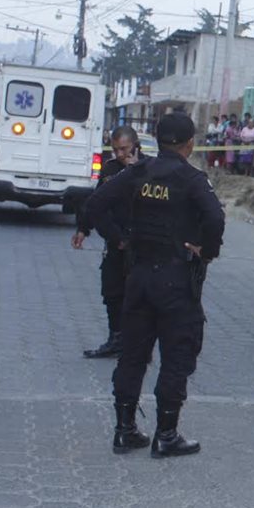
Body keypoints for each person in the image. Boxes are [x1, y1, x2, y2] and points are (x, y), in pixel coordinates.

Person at [85, 112, 225, 458]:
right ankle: (166, 435)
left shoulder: (136, 173)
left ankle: (124, 430)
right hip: (175, 281)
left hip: (139, 277)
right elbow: (215, 218)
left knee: (132, 355)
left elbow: (95, 203)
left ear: (156, 141)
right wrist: (207, 250)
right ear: (190, 144)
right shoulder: (192, 179)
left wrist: (122, 239)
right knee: (177, 355)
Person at [71, 126, 145, 359]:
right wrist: (83, 228)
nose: (120, 154)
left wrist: (136, 173)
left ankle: (139, 344)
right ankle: (116, 339)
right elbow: (96, 201)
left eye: (124, 149)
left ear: (135, 145)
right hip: (116, 240)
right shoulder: (110, 169)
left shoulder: (150, 168)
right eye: (115, 150)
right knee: (112, 292)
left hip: (143, 244)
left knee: (140, 297)